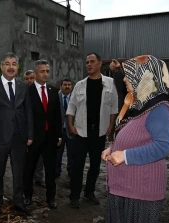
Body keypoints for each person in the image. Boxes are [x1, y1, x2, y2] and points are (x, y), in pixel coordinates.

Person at [88, 55, 169, 223]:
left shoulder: (159, 107)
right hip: (123, 184)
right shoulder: (138, 105)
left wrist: (125, 156)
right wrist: (113, 148)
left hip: (143, 188)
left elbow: (164, 145)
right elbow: (134, 137)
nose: (125, 79)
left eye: (130, 74)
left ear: (145, 77)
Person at [0, 52, 33, 218]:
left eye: (14, 64)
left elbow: (28, 112)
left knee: (19, 173)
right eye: (7, 64)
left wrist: (30, 134)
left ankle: (18, 202)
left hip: (19, 138)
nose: (11, 67)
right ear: (1, 66)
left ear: (18, 67)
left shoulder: (24, 87)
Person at [66, 53, 118, 208]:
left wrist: (111, 124)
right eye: (87, 62)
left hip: (99, 132)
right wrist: (70, 125)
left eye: (92, 62)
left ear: (100, 63)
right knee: (77, 165)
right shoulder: (80, 85)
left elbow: (114, 106)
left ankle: (89, 192)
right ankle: (74, 195)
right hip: (81, 132)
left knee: (95, 165)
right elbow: (71, 107)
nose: (88, 64)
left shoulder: (109, 83)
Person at [23, 60, 62, 209]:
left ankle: (51, 198)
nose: (45, 74)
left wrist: (59, 135)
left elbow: (57, 115)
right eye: (42, 71)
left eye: (47, 71)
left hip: (50, 138)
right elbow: (25, 116)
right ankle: (27, 196)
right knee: (29, 169)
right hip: (33, 139)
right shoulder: (27, 91)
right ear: (35, 73)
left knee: (50, 170)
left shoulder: (53, 91)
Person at [24, 70, 46, 188]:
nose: (29, 81)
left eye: (31, 78)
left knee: (39, 157)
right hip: (24, 131)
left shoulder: (41, 92)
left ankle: (38, 177)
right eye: (27, 79)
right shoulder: (22, 92)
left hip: (39, 131)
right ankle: (26, 179)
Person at [57, 79, 74, 178]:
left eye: (69, 84)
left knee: (71, 153)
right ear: (61, 86)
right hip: (59, 131)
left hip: (71, 130)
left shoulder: (75, 99)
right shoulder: (56, 97)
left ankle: (71, 172)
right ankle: (56, 171)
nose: (67, 86)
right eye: (65, 85)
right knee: (57, 153)